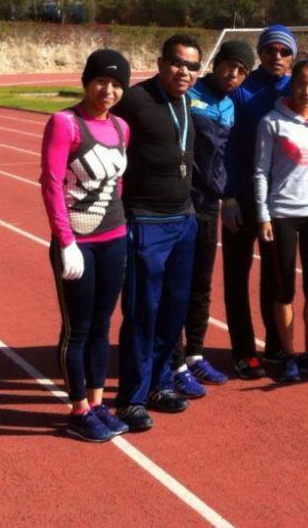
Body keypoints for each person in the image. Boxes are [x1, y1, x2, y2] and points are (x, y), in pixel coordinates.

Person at [40, 49, 131, 442]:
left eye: (116, 84)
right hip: (77, 243)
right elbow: (51, 184)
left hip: (113, 240)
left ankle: (97, 403)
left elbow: (116, 186)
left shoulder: (122, 128)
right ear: (86, 81)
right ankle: (77, 409)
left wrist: (121, 228)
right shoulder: (65, 123)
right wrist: (66, 241)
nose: (108, 90)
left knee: (102, 325)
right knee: (77, 328)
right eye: (101, 82)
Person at [111, 33, 201, 431]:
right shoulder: (134, 101)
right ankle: (131, 397)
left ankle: (160, 384)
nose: (185, 71)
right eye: (178, 63)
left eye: (193, 66)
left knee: (173, 309)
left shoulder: (187, 101)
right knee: (142, 311)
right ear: (161, 62)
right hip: (145, 220)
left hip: (184, 220)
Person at [168, 41, 255, 398]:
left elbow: (227, 156)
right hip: (178, 202)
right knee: (176, 283)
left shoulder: (233, 103)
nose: (232, 73)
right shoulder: (190, 95)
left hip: (209, 204)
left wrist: (229, 195)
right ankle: (172, 362)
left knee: (201, 283)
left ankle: (195, 353)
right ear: (215, 64)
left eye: (240, 70)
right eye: (228, 65)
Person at [221, 25, 297, 379]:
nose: (277, 57)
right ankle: (243, 351)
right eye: (270, 51)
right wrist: (230, 197)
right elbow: (227, 149)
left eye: (284, 51)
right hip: (243, 197)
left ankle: (277, 346)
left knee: (276, 278)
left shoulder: (298, 90)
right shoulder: (241, 93)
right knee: (237, 276)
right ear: (260, 54)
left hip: (279, 203)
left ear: (292, 55)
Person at [254, 60, 308, 382]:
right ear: (292, 85)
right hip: (283, 213)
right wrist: (263, 214)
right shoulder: (271, 122)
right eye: (301, 84)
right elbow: (260, 170)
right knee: (284, 288)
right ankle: (288, 355)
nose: (307, 91)